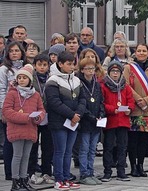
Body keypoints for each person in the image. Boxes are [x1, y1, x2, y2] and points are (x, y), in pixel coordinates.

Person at [45, 51, 85, 190]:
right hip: (59, 122)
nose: (72, 67)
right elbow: (54, 102)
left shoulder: (76, 80)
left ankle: (67, 178)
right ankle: (59, 179)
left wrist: (78, 114)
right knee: (60, 151)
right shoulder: (53, 81)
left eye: (73, 63)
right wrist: (71, 115)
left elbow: (82, 99)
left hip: (74, 122)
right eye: (68, 64)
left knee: (68, 151)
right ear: (60, 64)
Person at [4, 64, 45, 191]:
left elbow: (41, 109)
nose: (21, 80)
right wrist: (26, 117)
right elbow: (7, 111)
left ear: (29, 80)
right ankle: (15, 181)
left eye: (24, 77)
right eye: (19, 77)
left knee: (26, 156)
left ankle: (24, 179)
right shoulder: (12, 93)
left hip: (30, 129)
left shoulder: (36, 95)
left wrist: (38, 117)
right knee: (17, 155)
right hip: (17, 129)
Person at [122, 43, 148, 178]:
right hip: (134, 109)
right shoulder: (128, 68)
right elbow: (125, 85)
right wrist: (139, 99)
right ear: (135, 53)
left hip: (147, 109)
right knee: (133, 140)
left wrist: (147, 100)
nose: (142, 53)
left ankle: (141, 165)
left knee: (144, 140)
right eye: (139, 51)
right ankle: (133, 165)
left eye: (144, 51)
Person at [99, 61, 134, 182]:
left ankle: (121, 171)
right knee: (108, 147)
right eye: (113, 71)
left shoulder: (125, 86)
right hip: (111, 121)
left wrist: (129, 108)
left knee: (122, 147)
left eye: (117, 71)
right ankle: (107, 171)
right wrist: (113, 109)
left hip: (123, 121)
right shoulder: (104, 86)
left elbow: (130, 101)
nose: (115, 74)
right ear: (108, 73)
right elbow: (102, 103)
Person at [75, 57, 105, 186]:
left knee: (93, 149)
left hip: (97, 121)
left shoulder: (96, 84)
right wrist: (91, 117)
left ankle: (91, 171)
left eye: (92, 68)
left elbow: (101, 102)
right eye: (87, 69)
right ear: (82, 70)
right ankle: (84, 173)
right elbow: (81, 104)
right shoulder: (79, 84)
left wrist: (101, 114)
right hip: (86, 122)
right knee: (84, 149)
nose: (90, 71)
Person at [1, 41, 28, 181]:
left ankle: (23, 172)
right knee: (10, 141)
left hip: (25, 109)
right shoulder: (4, 69)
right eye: (11, 51)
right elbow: (2, 90)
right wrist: (3, 110)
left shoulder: (26, 67)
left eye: (17, 50)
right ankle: (10, 173)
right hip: (10, 109)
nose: (14, 53)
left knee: (23, 142)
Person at [27, 54, 55, 185]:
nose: (42, 67)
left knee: (48, 146)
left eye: (45, 65)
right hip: (34, 116)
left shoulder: (51, 79)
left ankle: (46, 172)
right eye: (39, 65)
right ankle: (31, 172)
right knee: (33, 146)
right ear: (34, 66)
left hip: (48, 116)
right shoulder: (30, 79)